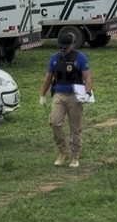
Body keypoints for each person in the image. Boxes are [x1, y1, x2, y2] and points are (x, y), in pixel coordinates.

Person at [38, 32, 92, 168]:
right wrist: (42, 95)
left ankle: (75, 156)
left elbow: (87, 77)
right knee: (55, 122)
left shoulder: (79, 58)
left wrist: (87, 93)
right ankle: (62, 152)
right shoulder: (54, 59)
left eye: (65, 48)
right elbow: (48, 78)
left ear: (71, 46)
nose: (63, 50)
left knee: (75, 128)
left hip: (74, 95)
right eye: (61, 47)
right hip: (59, 95)